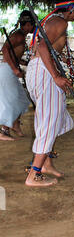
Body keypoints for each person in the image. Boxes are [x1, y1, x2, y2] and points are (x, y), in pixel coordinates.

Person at [25, 0, 74, 188]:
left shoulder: (52, 21)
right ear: (71, 8)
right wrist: (56, 76)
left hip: (39, 71)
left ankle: (46, 163)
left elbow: (58, 54)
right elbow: (42, 48)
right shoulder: (59, 22)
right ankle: (34, 174)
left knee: (55, 119)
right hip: (45, 72)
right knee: (49, 120)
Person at [0, 10, 35, 141]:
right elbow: (4, 49)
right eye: (32, 25)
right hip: (7, 70)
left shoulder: (21, 36)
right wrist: (15, 69)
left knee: (22, 100)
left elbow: (15, 55)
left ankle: (15, 125)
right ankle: (4, 130)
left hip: (10, 70)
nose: (33, 27)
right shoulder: (18, 35)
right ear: (26, 25)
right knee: (13, 100)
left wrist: (24, 62)